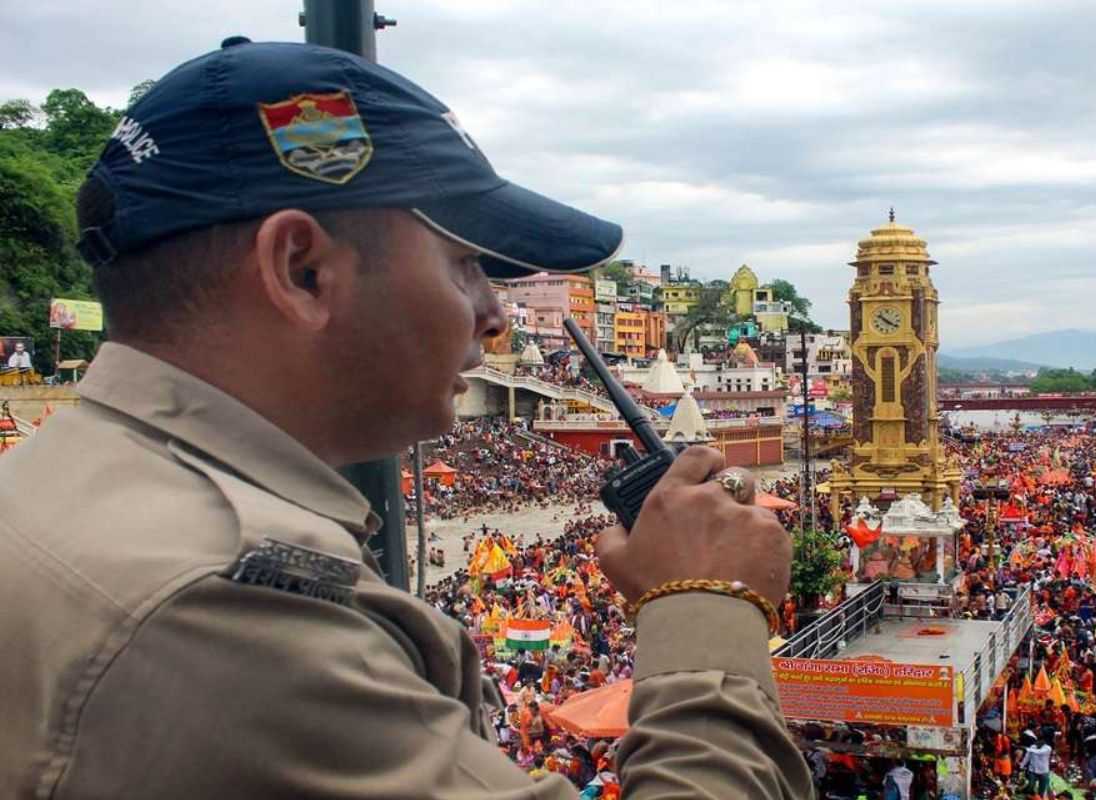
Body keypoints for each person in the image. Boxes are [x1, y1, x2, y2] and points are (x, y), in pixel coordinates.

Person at [0, 39, 810, 799]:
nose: (496, 317)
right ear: (302, 270)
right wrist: (708, 605)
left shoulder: (56, 489)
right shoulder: (233, 616)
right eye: (465, 265)